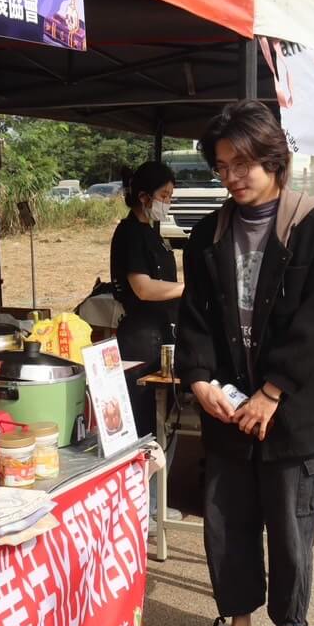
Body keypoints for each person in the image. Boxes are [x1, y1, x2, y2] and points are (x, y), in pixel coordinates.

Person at [175, 100, 314, 626]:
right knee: (225, 515)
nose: (232, 176)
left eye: (244, 163)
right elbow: (196, 317)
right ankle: (237, 619)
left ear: (275, 161)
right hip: (230, 404)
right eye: (223, 165)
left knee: (290, 518)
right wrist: (201, 379)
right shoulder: (209, 233)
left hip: (294, 405)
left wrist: (274, 391)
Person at [110, 161, 182, 435]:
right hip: (140, 338)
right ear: (143, 197)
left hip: (162, 332)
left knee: (161, 413)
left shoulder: (152, 233)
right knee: (142, 415)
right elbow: (143, 288)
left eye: (170, 197)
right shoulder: (129, 233)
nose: (168, 203)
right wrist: (188, 288)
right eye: (164, 196)